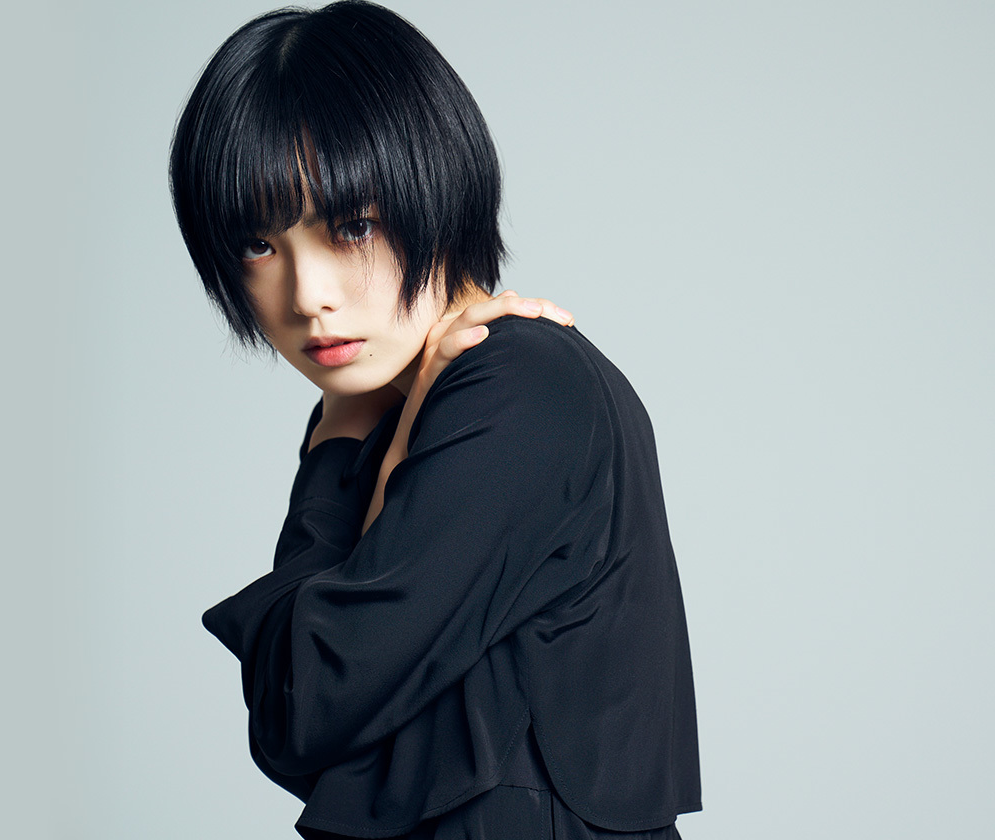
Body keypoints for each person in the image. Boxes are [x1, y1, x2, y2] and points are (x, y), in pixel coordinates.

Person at [167, 2, 702, 838]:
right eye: (258, 245)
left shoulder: (518, 385)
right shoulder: (388, 405)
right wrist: (357, 438)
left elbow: (304, 706)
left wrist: (347, 453)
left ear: (438, 185)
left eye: (351, 227)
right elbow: (303, 727)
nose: (309, 296)